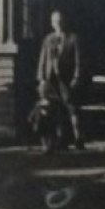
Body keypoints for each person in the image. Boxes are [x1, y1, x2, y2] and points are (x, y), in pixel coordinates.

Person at [36, 9, 85, 151]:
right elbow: (43, 59)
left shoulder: (73, 38)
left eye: (60, 21)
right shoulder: (48, 39)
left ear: (65, 21)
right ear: (52, 23)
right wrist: (41, 78)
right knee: (54, 109)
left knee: (72, 108)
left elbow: (79, 61)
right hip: (51, 79)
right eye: (55, 21)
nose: (58, 24)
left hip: (67, 78)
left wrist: (77, 76)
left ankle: (78, 139)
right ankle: (60, 139)